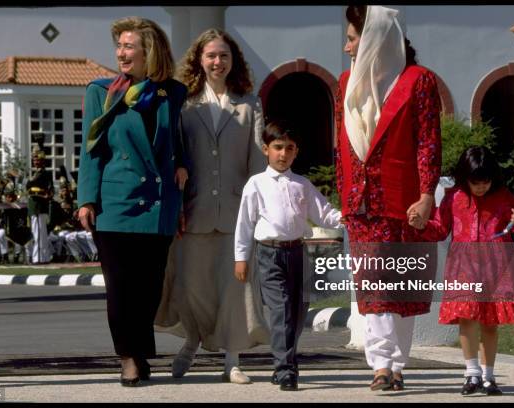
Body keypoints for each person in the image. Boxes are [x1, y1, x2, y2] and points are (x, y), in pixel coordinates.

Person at [336, 5, 442, 391]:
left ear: (374, 39)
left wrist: (427, 194)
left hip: (404, 200)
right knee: (372, 285)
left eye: (352, 38)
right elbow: (341, 148)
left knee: (403, 285)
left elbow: (428, 142)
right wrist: (343, 196)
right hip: (361, 203)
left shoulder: (419, 81)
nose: (347, 47)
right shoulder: (345, 83)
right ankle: (381, 364)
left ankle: (397, 363)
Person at [77, 16, 187, 387]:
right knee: (120, 288)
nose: (121, 53)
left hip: (158, 203)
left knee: (149, 288)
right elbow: (90, 151)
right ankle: (128, 357)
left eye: (129, 46)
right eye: (119, 46)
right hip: (115, 203)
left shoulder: (171, 92)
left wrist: (184, 170)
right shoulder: (101, 91)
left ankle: (140, 353)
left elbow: (178, 142)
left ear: (149, 52)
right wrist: (86, 200)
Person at [154, 28, 269, 384]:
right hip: (193, 212)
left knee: (235, 290)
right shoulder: (185, 104)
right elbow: (172, 155)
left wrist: (258, 213)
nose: (217, 62)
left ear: (233, 61)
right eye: (211, 56)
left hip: (237, 214)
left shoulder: (249, 105)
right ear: (199, 60)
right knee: (191, 287)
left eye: (224, 56)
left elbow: (257, 164)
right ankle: (192, 339)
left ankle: (232, 361)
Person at [409, 146, 514, 396]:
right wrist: (422, 225)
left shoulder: (504, 197)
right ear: (463, 177)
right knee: (466, 321)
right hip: (463, 268)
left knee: (490, 323)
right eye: (475, 182)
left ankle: (489, 377)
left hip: (497, 270)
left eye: (486, 182)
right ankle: (471, 373)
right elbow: (440, 229)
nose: (481, 187)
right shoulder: (452, 198)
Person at [235, 120, 342, 390]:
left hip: (298, 252)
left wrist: (351, 219)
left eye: (289, 148)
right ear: (266, 149)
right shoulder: (256, 184)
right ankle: (285, 370)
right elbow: (245, 223)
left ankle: (286, 360)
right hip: (269, 254)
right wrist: (241, 257)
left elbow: (324, 213)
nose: (283, 154)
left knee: (296, 312)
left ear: (296, 152)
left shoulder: (302, 184)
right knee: (281, 309)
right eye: (278, 147)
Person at [26, 144, 54, 264]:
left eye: (37, 159)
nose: (34, 161)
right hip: (35, 206)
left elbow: (49, 190)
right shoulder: (37, 173)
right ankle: (43, 257)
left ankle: (38, 258)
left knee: (39, 233)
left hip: (38, 206)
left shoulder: (42, 173)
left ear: (42, 160)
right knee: (39, 233)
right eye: (34, 159)